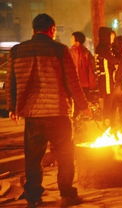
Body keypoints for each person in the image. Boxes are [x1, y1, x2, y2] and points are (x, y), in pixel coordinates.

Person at [5, 13, 91, 208]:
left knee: (33, 159)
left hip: (33, 115)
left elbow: (11, 82)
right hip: (58, 113)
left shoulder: (17, 51)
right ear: (52, 30)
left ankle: (34, 196)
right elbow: (72, 82)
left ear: (33, 29)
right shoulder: (60, 50)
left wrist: (13, 107)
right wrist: (84, 106)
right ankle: (67, 194)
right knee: (65, 157)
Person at [95, 27, 118, 126]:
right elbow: (113, 61)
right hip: (106, 79)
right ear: (106, 36)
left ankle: (109, 122)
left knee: (110, 101)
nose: (113, 38)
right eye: (111, 36)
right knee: (108, 101)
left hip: (105, 79)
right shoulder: (103, 49)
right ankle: (107, 123)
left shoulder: (104, 47)